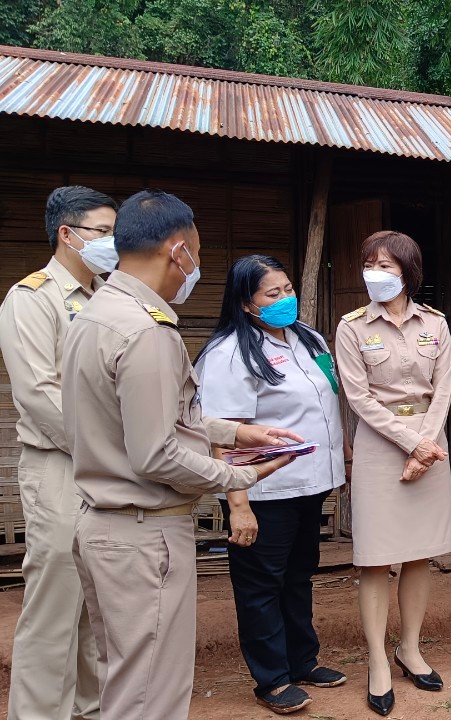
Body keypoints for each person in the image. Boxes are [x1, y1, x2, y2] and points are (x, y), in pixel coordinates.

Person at [60, 189, 300, 720]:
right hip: (145, 536)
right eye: (197, 249)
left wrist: (236, 433)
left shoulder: (98, 313)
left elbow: (138, 417)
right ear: (178, 250)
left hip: (105, 526)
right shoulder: (148, 330)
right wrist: (237, 477)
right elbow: (155, 453)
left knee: (123, 683)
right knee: (151, 696)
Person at [194, 255, 348, 714]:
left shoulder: (309, 338)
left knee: (299, 576)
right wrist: (237, 504)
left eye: (288, 288)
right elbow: (223, 433)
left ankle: (302, 660)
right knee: (261, 584)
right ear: (246, 303)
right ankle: (271, 679)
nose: (285, 299)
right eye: (272, 293)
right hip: (263, 490)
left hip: (310, 484)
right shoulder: (229, 354)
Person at [0, 186, 116, 720]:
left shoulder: (111, 297)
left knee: (97, 606)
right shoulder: (32, 298)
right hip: (60, 467)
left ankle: (91, 710)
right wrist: (115, 445)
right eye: (103, 231)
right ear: (67, 235)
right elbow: (39, 395)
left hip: (108, 469)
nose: (113, 242)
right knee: (54, 606)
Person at [333, 231, 451, 717]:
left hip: (430, 439)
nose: (375, 273)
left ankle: (410, 647)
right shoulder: (352, 327)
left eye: (385, 265)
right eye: (369, 264)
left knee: (419, 554)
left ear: (408, 271)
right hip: (380, 446)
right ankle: (378, 660)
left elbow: (443, 388)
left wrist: (425, 445)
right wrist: (413, 444)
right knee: (374, 559)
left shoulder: (436, 324)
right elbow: (358, 397)